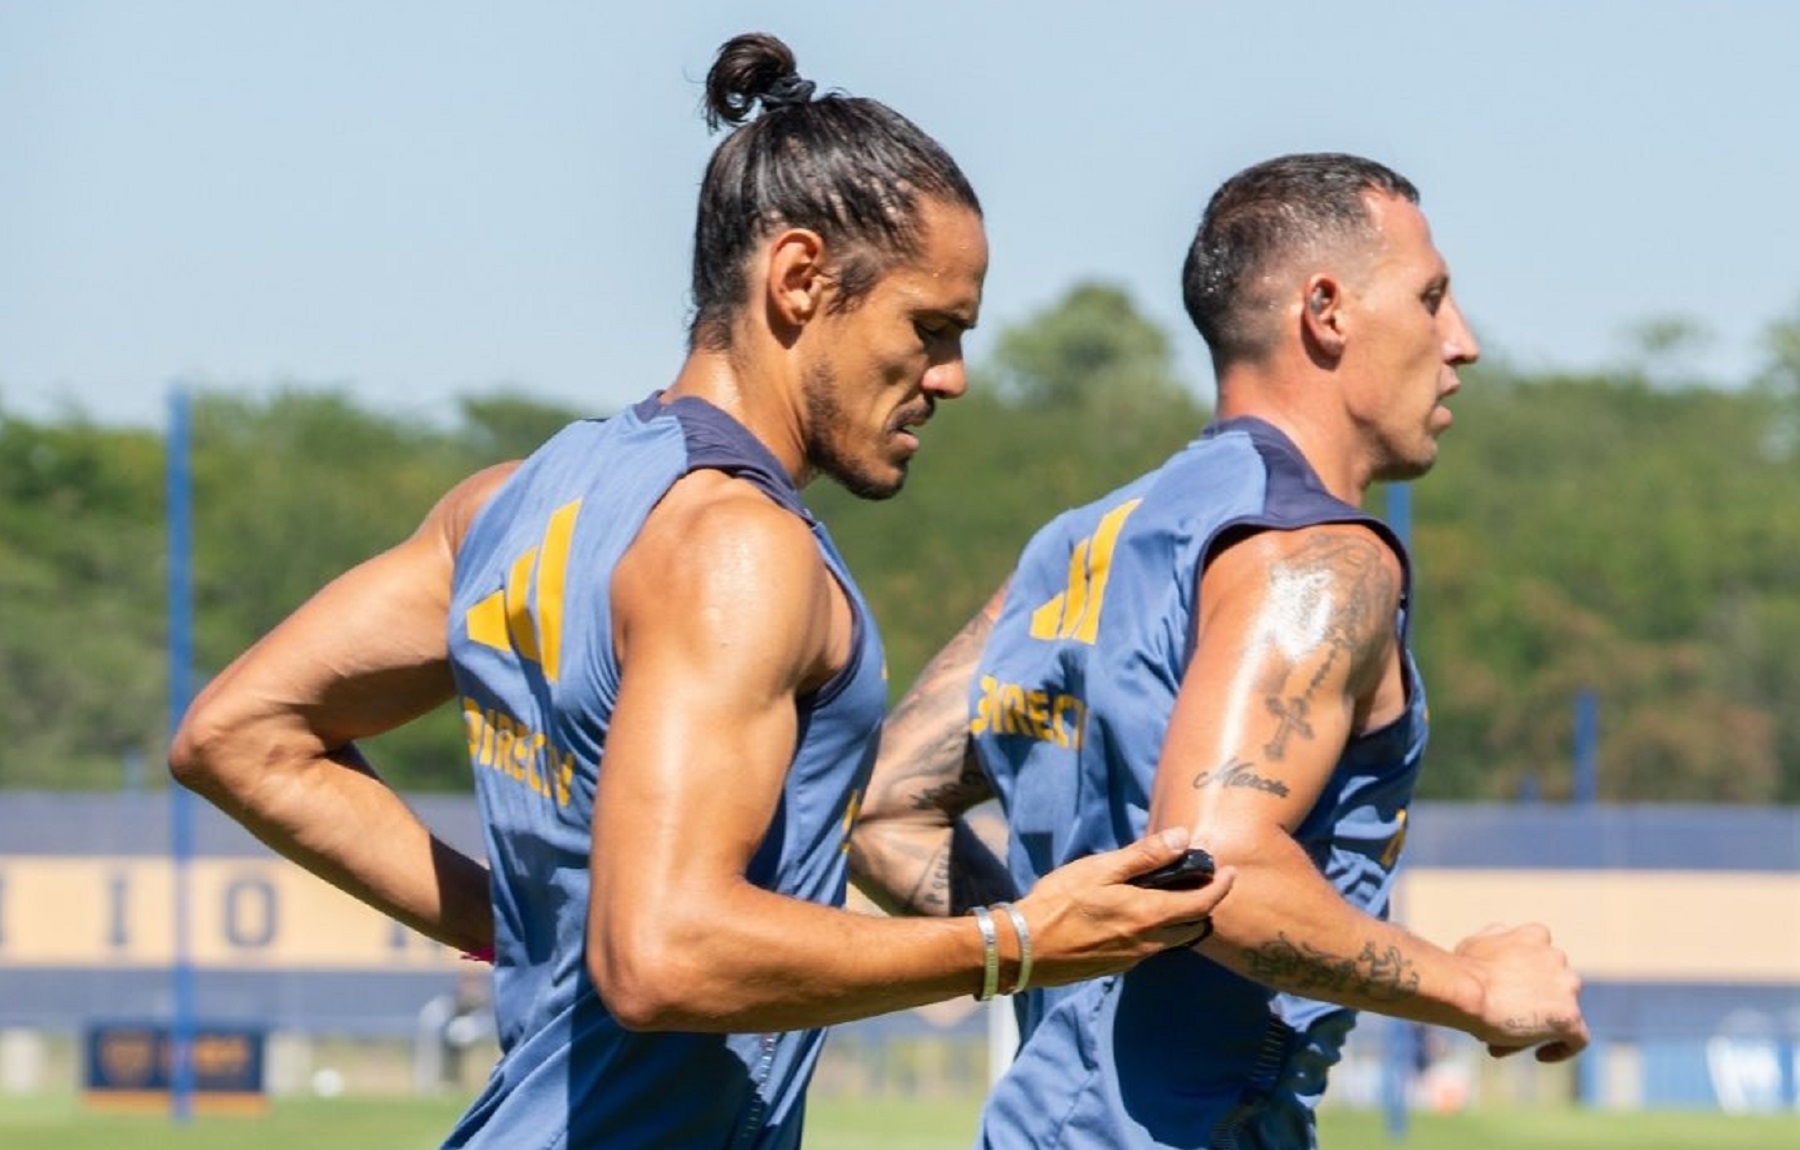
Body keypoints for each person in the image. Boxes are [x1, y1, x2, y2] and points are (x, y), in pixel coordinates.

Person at [168, 32, 1232, 1150]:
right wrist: (1019, 939)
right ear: (800, 278)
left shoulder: (514, 504)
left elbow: (238, 735)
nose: (953, 376)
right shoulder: (740, 546)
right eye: (931, 328)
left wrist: (527, 929)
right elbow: (664, 955)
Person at [850, 152, 1589, 1149]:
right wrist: (1476, 988)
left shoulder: (1083, 543)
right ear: (1327, 310)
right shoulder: (1320, 558)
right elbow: (1217, 858)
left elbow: (886, 807)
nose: (1461, 343)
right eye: (1431, 298)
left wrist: (1052, 949)